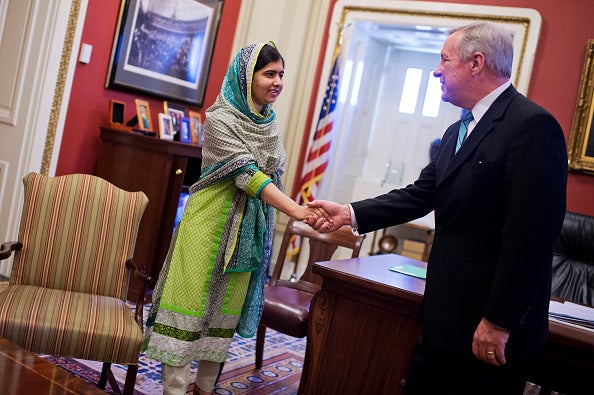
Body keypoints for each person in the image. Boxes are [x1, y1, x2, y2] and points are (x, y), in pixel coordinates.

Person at [305, 22, 567, 394]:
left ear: (476, 63)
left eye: (444, 60)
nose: (436, 70)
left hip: (487, 328)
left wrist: (498, 321)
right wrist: (348, 212)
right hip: (443, 318)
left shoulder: (532, 127)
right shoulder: (457, 130)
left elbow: (530, 240)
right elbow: (419, 195)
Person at [143, 42, 325, 395]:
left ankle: (205, 388)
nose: (277, 82)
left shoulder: (268, 123)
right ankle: (174, 390)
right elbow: (249, 175)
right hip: (208, 226)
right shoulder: (220, 118)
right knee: (188, 306)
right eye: (269, 74)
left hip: (248, 234)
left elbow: (272, 177)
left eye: (281, 75)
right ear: (247, 77)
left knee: (223, 313)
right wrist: (297, 211)